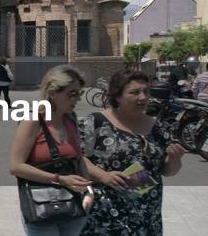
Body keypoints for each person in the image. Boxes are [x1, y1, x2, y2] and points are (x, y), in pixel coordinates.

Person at [79, 70, 185, 234]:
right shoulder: (96, 122)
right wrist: (103, 176)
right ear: (117, 96)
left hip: (147, 213)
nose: (142, 97)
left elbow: (167, 171)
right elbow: (77, 158)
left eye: (146, 92)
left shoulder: (157, 127)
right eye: (134, 92)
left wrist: (174, 159)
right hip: (106, 213)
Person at [9, 65, 92, 236]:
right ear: (52, 93)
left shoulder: (71, 119)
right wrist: (59, 179)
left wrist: (89, 190)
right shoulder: (33, 120)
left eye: (79, 93)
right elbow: (16, 166)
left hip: (73, 206)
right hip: (42, 208)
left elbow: (79, 158)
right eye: (72, 94)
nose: (77, 99)